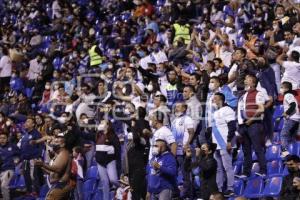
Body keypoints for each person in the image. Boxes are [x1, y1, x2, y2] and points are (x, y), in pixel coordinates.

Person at [237, 74, 267, 177]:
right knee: (246, 151)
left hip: (254, 124)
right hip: (243, 125)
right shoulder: (243, 95)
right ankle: (246, 173)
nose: (245, 80)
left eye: (248, 79)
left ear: (253, 83)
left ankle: (263, 171)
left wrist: (251, 119)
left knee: (258, 148)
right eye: (245, 79)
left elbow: (261, 109)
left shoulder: (258, 94)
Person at [34, 132, 73, 200]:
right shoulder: (59, 154)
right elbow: (52, 172)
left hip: (61, 185)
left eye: (57, 142)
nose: (53, 143)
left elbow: (58, 169)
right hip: (57, 184)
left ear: (63, 144)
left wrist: (43, 164)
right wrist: (41, 166)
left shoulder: (64, 154)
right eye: (54, 141)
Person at [211, 92, 236, 196]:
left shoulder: (228, 110)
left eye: (215, 99)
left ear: (221, 100)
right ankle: (219, 190)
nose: (213, 100)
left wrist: (230, 141)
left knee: (227, 167)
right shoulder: (216, 112)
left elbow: (232, 126)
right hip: (216, 144)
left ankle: (230, 188)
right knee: (218, 169)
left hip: (225, 143)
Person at [19, 117, 44, 196]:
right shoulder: (25, 134)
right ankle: (29, 193)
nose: (26, 123)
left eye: (28, 122)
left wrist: (38, 157)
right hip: (25, 160)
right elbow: (23, 148)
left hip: (33, 159)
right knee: (27, 177)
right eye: (26, 122)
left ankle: (37, 194)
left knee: (34, 177)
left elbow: (41, 147)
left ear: (33, 124)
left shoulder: (37, 134)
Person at [280, 81, 300, 154]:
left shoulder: (287, 95)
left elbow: (293, 105)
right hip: (296, 119)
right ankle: (293, 156)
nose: (280, 89)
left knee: (283, 135)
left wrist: (286, 113)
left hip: (291, 119)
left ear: (287, 89)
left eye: (282, 87)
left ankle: (285, 155)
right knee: (292, 139)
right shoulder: (291, 95)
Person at [0, 132, 20, 200]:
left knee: (3, 186)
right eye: (0, 138)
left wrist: (17, 159)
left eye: (4, 138)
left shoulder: (13, 146)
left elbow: (20, 154)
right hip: (1, 170)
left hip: (9, 169)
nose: (2, 140)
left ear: (7, 139)